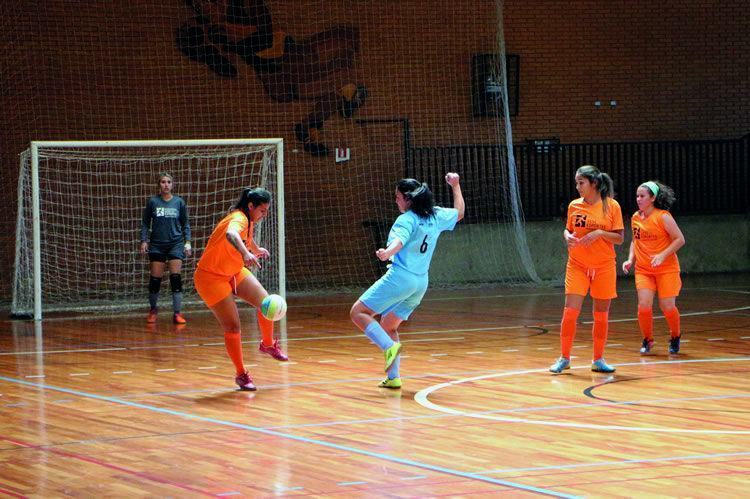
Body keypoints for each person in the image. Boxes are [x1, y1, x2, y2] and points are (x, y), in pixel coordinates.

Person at [176, 0, 367, 156]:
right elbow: (228, 69)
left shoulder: (242, 7)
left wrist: (224, 26)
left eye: (206, 4)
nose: (205, 8)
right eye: (199, 6)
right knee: (332, 79)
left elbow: (264, 34)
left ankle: (321, 116)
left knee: (342, 53)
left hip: (286, 55)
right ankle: (331, 110)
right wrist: (208, 47)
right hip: (276, 71)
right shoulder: (210, 29)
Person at [350, 173, 465, 389]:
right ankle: (394, 377)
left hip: (400, 278)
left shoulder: (406, 219)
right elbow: (459, 213)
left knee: (358, 313)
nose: (396, 201)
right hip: (420, 283)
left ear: (407, 199)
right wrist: (456, 185)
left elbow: (400, 241)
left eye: (397, 197)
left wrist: (386, 252)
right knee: (388, 325)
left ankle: (388, 347)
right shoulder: (435, 215)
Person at [194, 187, 288, 391]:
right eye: (262, 210)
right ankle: (241, 374)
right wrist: (246, 254)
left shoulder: (249, 219)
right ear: (251, 206)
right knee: (233, 327)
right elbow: (231, 234)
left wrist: (255, 249)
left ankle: (268, 344)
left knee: (266, 303)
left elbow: (246, 237)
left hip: (233, 272)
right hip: (211, 278)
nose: (264, 215)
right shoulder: (239, 218)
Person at [550, 165, 624, 374]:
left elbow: (619, 238)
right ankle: (564, 357)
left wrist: (600, 232)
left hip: (603, 266)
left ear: (594, 184)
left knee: (601, 314)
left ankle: (598, 359)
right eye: (576, 183)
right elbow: (569, 229)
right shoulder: (574, 206)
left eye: (581, 183)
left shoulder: (612, 206)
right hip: (577, 265)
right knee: (570, 312)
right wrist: (567, 236)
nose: (577, 187)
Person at [622, 181, 685, 355]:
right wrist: (629, 260)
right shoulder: (636, 217)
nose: (638, 199)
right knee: (643, 305)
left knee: (667, 306)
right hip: (644, 269)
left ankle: (675, 336)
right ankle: (647, 339)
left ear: (653, 198)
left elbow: (680, 239)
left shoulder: (663, 216)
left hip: (666, 268)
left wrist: (662, 255)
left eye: (642, 196)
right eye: (637, 196)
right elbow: (636, 241)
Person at [140, 173, 192, 324]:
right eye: (163, 182)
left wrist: (187, 242)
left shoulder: (179, 202)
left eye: (169, 182)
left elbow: (185, 224)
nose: (166, 185)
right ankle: (153, 310)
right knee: (155, 279)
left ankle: (177, 313)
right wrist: (144, 240)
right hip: (157, 245)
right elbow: (145, 223)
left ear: (172, 185)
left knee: (175, 278)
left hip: (175, 244)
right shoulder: (153, 202)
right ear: (159, 185)